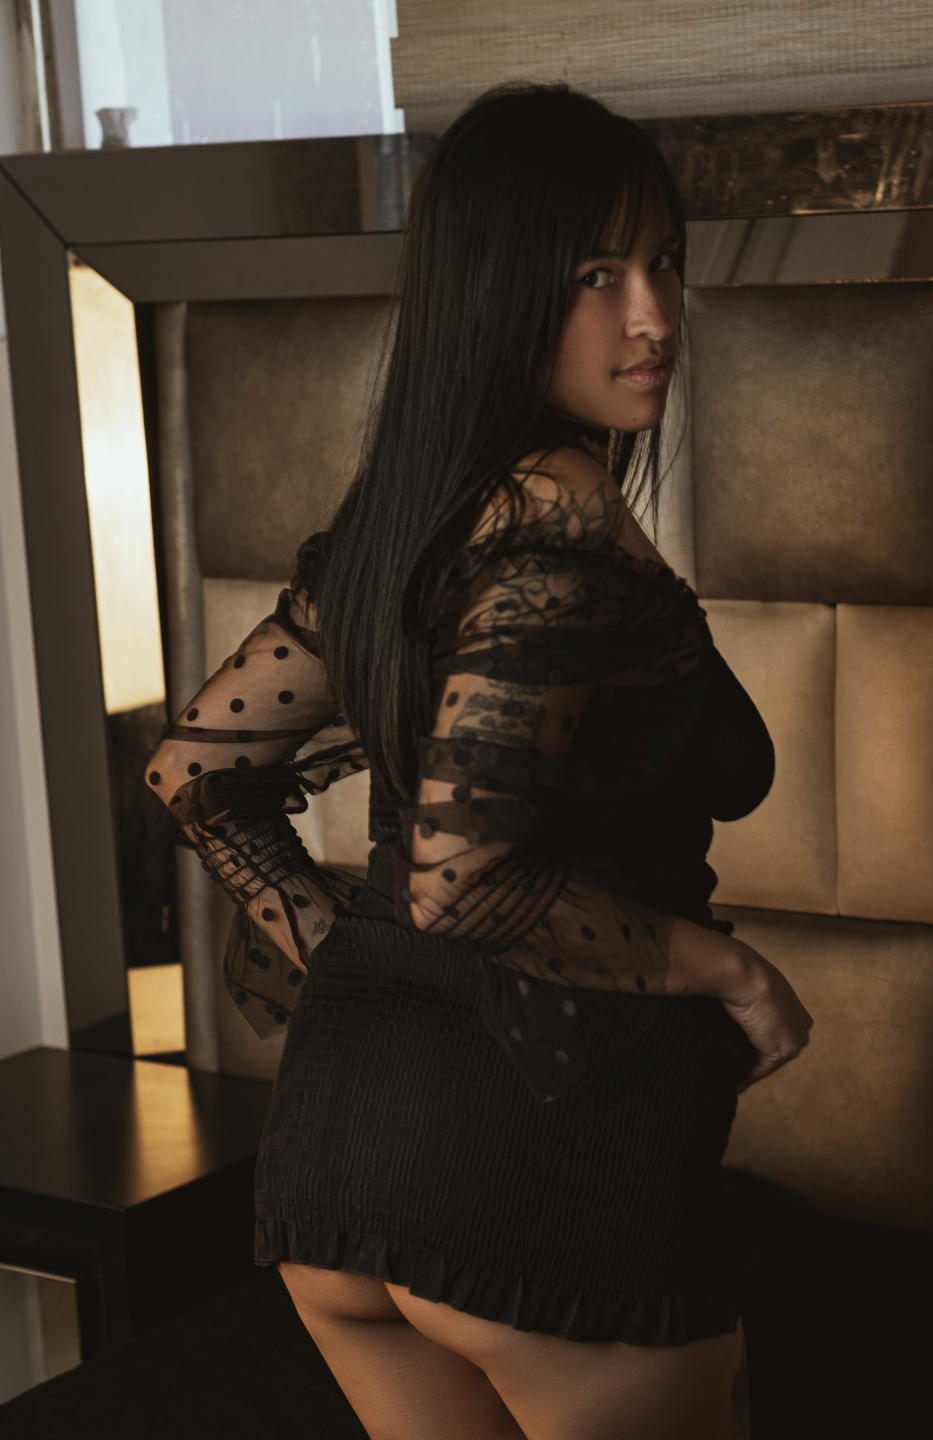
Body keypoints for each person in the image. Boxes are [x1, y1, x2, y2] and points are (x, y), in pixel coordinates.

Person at [144, 81, 813, 1440]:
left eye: (663, 261)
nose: (654, 317)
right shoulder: (557, 525)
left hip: (344, 1153)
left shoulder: (413, 518)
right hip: (541, 1174)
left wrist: (354, 960)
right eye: (595, 276)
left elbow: (194, 773)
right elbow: (465, 880)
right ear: (498, 294)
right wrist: (736, 973)